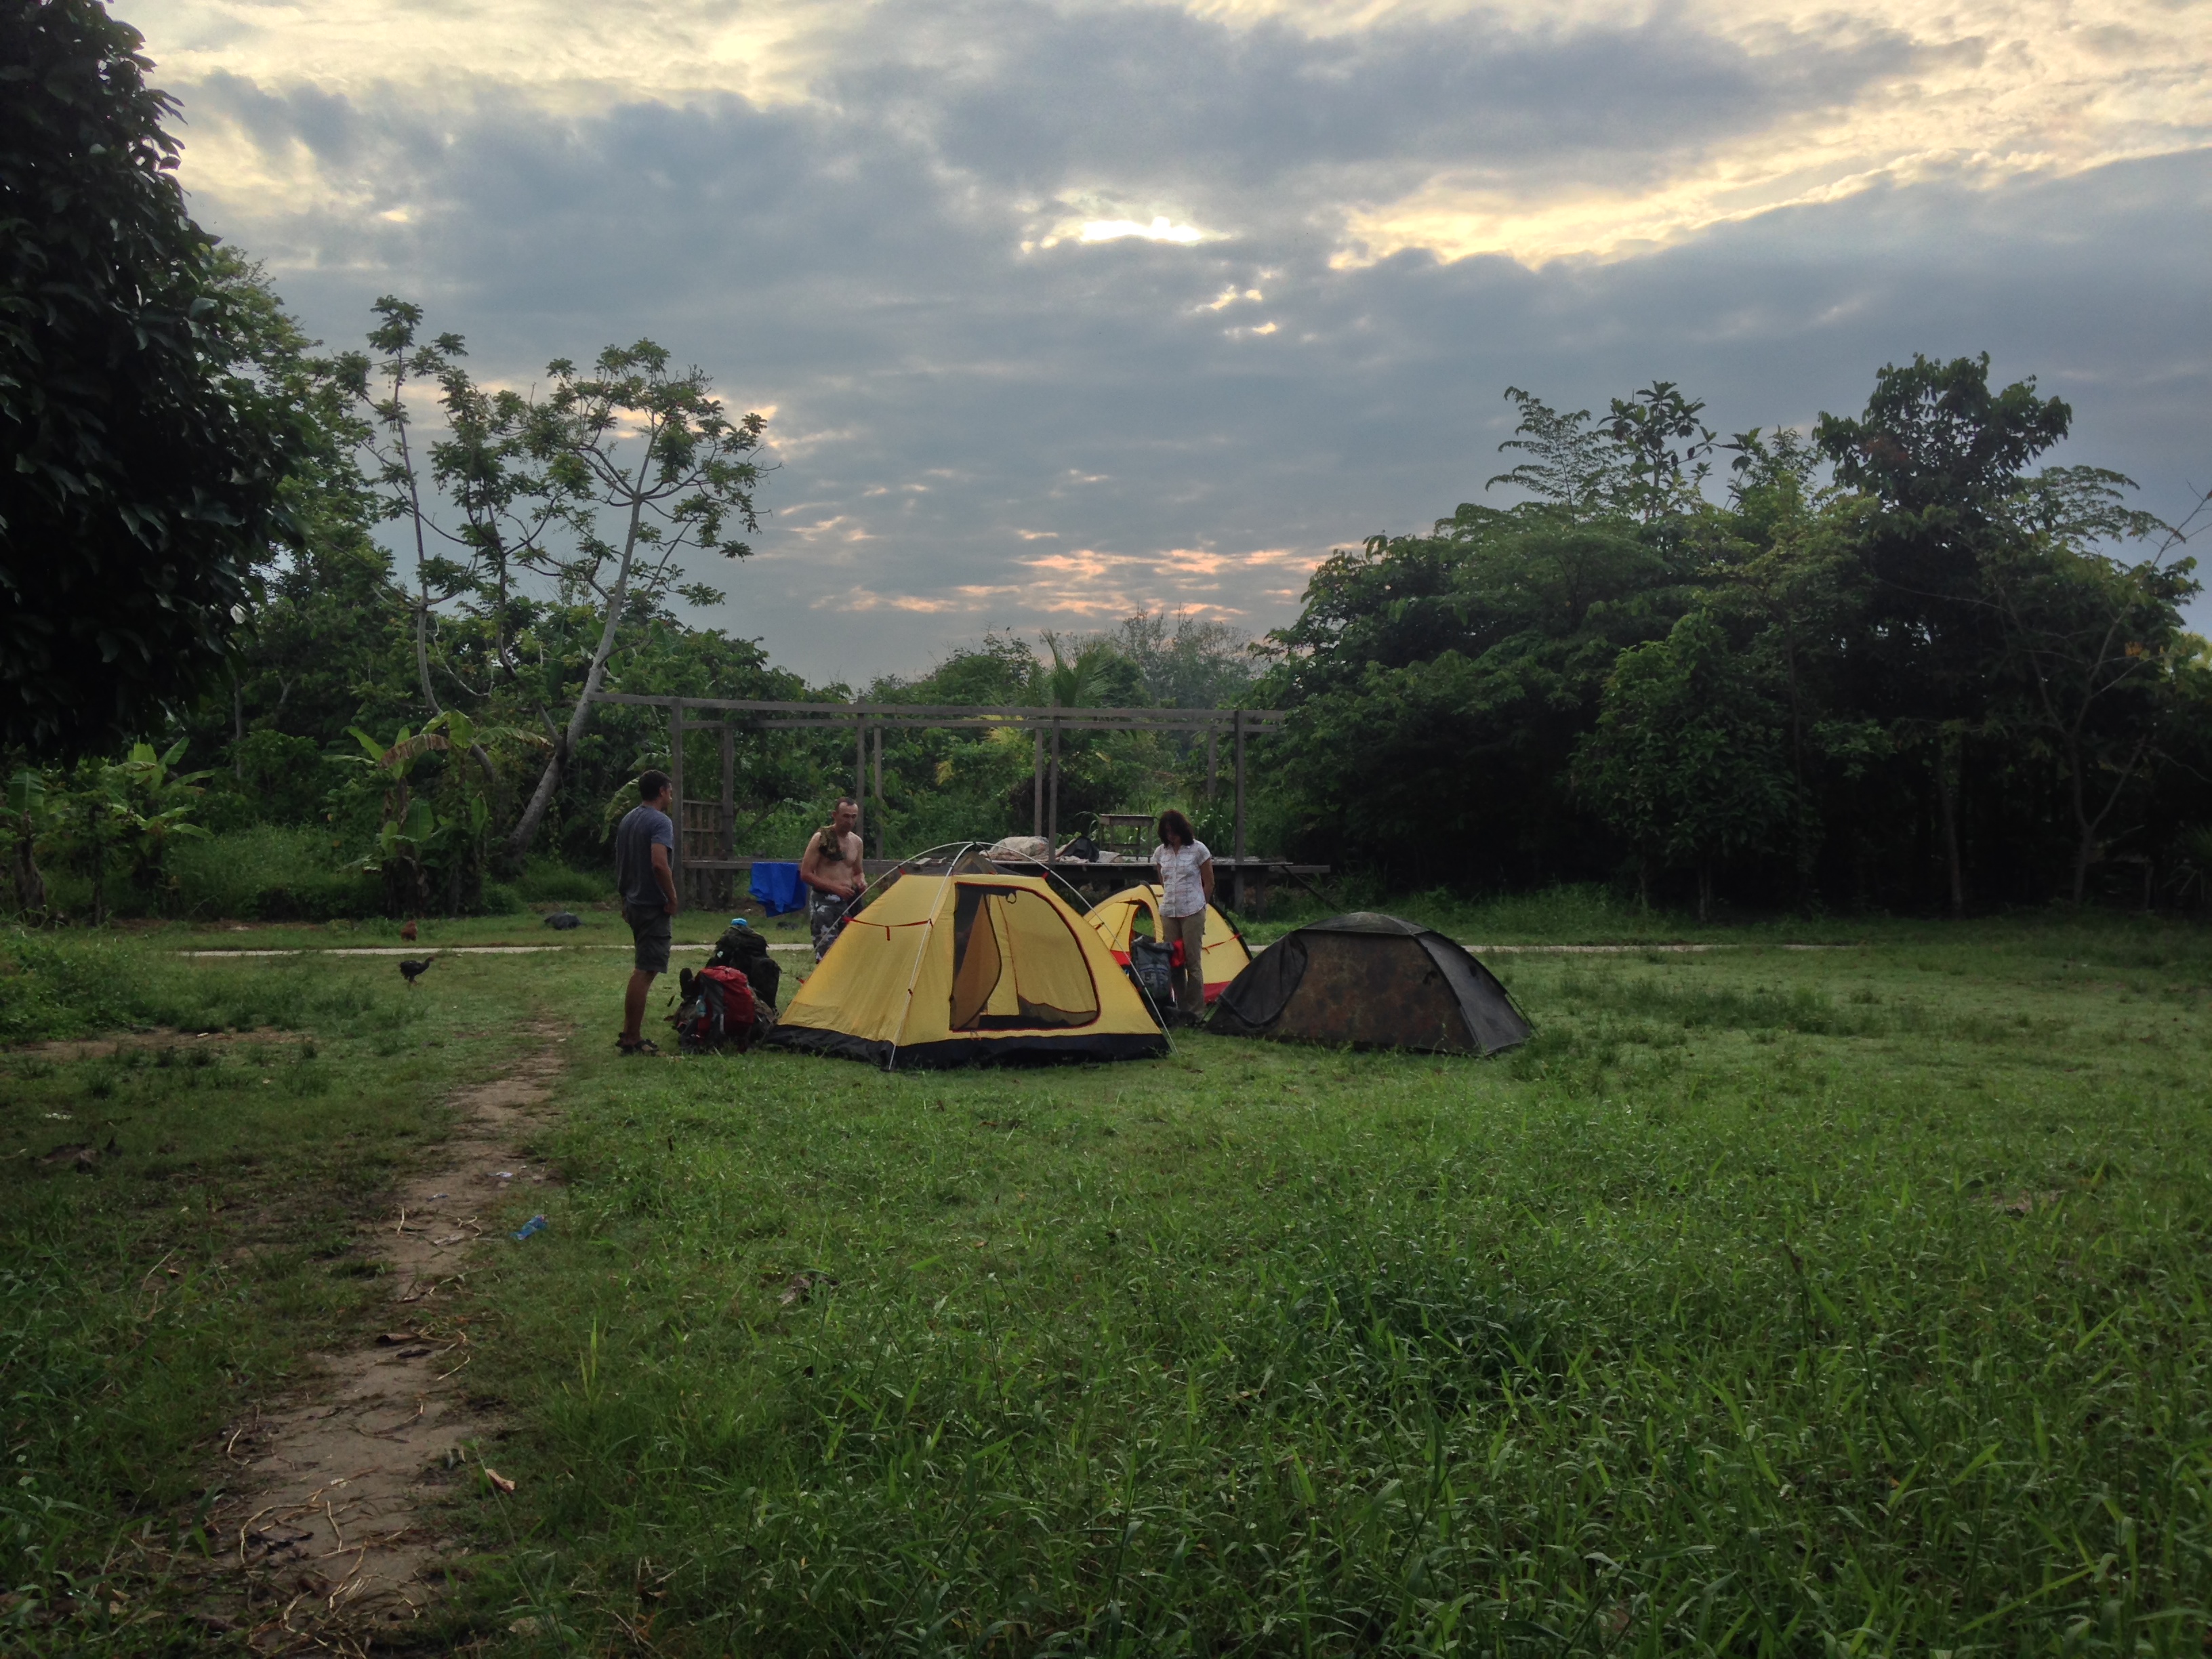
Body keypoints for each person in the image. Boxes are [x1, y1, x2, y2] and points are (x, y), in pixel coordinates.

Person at [613, 770, 679, 1054]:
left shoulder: (628, 820)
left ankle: (630, 1032)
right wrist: (672, 896)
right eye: (670, 790)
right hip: (652, 905)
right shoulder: (660, 822)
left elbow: (623, 863)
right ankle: (632, 1037)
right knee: (645, 970)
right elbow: (658, 864)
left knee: (643, 967)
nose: (671, 795)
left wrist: (624, 899)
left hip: (633, 903)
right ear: (663, 791)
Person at [1153, 807, 1214, 1023]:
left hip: (1193, 911)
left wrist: (1202, 905)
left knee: (1192, 961)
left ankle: (1196, 1012)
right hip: (1169, 910)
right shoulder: (1161, 853)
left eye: (1174, 831)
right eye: (1167, 832)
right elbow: (1163, 881)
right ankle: (1180, 1008)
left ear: (1182, 830)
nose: (1171, 836)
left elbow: (1209, 881)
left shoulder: (1199, 850)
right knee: (1174, 961)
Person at [800, 796, 867, 960]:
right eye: (845, 816)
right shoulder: (821, 838)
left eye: (853, 816)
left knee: (851, 951)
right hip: (825, 902)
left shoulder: (857, 842)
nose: (849, 821)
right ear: (835, 815)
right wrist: (835, 888)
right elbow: (806, 874)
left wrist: (861, 881)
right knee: (827, 954)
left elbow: (857, 871)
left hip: (849, 901)